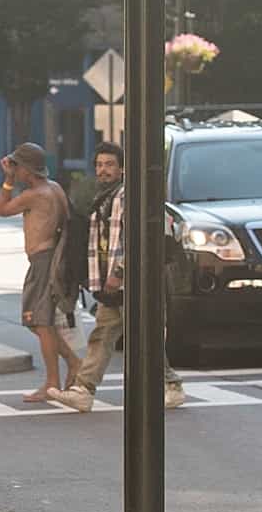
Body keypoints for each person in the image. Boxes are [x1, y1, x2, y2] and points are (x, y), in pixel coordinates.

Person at [49, 141, 185, 413]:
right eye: (99, 165)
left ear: (122, 169)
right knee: (103, 334)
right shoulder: (104, 197)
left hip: (133, 281)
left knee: (145, 335)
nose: (103, 170)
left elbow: (136, 238)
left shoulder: (127, 196)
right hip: (111, 284)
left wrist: (120, 272)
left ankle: (171, 386)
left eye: (110, 164)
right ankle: (83, 390)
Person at [0, 141, 83, 403]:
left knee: (40, 321)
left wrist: (8, 181)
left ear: (27, 170)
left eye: (18, 168)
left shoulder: (36, 194)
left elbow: (3, 210)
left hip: (43, 262)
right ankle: (71, 364)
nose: (16, 172)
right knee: (38, 322)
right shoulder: (55, 188)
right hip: (52, 260)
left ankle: (52, 381)